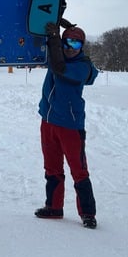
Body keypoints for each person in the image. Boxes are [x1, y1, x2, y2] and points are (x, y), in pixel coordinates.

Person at [35, 23, 100, 229]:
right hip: (48, 122)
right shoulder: (56, 55)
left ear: (82, 46)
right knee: (52, 168)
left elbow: (60, 68)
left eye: (76, 43)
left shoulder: (82, 67)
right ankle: (54, 207)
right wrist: (58, 19)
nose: (71, 47)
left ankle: (88, 213)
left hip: (70, 126)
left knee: (79, 170)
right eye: (67, 42)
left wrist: (55, 37)